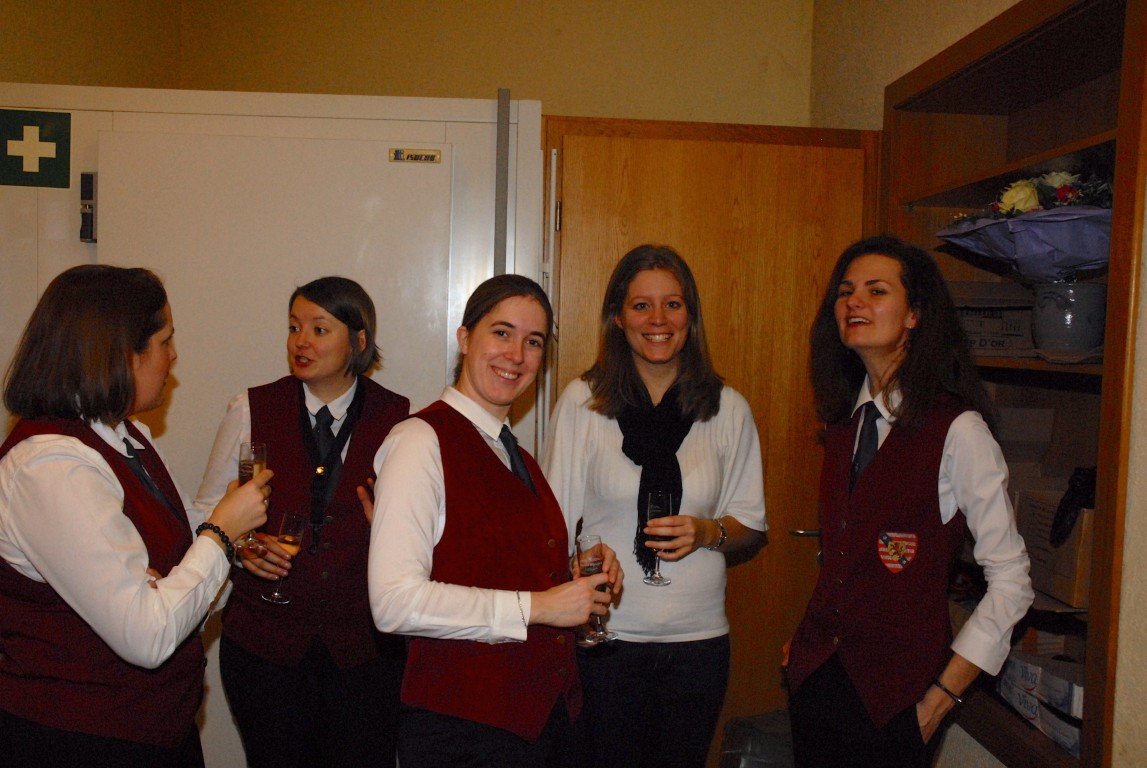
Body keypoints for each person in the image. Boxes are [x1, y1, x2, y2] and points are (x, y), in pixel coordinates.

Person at [0, 265, 270, 767]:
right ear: (121, 353)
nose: (174, 356)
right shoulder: (49, 467)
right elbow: (147, 635)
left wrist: (212, 548)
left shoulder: (127, 435)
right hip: (76, 738)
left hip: (154, 729)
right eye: (165, 341)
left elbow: (183, 567)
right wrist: (220, 534)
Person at [784, 235, 1034, 767]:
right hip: (818, 685)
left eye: (876, 291)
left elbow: (1012, 581)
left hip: (899, 703)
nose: (855, 302)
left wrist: (938, 702)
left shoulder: (958, 430)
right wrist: (807, 645)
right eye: (846, 291)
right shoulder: (844, 423)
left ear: (915, 314)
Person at [367, 273, 622, 768]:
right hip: (463, 733)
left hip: (542, 723)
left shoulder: (518, 456)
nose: (517, 355)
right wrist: (541, 606)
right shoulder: (418, 440)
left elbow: (492, 559)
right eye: (501, 333)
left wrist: (574, 571)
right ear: (465, 338)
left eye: (533, 342)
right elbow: (393, 602)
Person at [542, 244, 767, 768]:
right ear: (618, 318)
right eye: (641, 305)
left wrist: (707, 532)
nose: (658, 319)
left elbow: (752, 525)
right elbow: (551, 525)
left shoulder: (728, 409)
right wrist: (577, 565)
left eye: (673, 304)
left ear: (691, 316)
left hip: (699, 647)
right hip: (607, 643)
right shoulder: (582, 402)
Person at [194, 276, 409, 768]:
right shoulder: (249, 409)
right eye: (294, 328)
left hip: (365, 654)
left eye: (319, 328)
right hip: (264, 650)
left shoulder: (401, 420)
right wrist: (241, 548)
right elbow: (207, 513)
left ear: (358, 340)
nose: (301, 341)